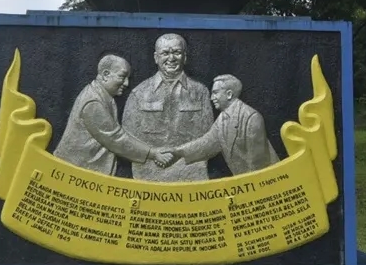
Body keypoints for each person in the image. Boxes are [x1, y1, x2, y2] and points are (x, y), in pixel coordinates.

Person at [53, 54, 172, 175]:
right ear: (106, 75)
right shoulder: (93, 102)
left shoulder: (102, 95)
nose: (126, 83)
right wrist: (152, 154)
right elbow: (115, 139)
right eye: (122, 76)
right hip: (72, 173)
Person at [122, 33, 214, 182]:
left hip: (191, 174)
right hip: (148, 176)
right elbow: (127, 136)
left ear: (185, 57)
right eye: (165, 53)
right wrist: (153, 154)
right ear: (156, 57)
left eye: (177, 52)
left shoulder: (200, 92)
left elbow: (209, 136)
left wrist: (179, 153)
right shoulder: (138, 93)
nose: (171, 58)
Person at [172, 74, 279, 175]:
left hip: (269, 181)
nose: (212, 98)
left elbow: (257, 163)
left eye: (215, 93)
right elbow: (206, 144)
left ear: (229, 94)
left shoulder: (251, 117)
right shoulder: (222, 119)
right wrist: (178, 152)